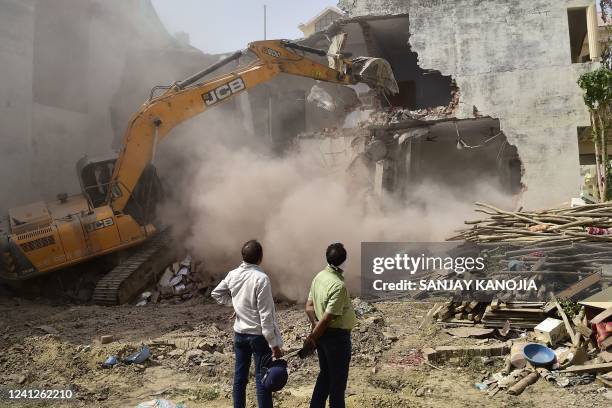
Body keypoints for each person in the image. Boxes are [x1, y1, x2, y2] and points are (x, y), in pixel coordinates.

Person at [212, 239, 283, 408]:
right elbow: (265, 316)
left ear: (242, 256)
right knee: (262, 379)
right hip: (258, 337)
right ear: (261, 257)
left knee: (239, 379)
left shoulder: (233, 274)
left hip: (240, 335)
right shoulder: (261, 279)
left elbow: (217, 294)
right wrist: (274, 344)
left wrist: (236, 305)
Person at [303, 242, 356, 408]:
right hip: (336, 338)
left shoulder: (319, 277)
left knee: (325, 376)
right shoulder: (338, 285)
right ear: (343, 262)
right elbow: (327, 318)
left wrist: (314, 326)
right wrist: (312, 338)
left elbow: (309, 307)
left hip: (324, 337)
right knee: (338, 385)